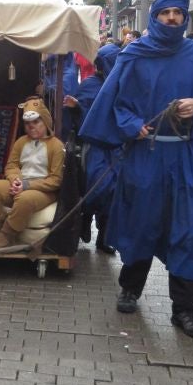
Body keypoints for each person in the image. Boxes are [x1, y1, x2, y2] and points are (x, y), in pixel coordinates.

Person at [79, 0, 193, 340]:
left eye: (178, 12)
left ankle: (185, 310)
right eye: (166, 12)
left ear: (185, 17)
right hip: (145, 155)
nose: (172, 18)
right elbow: (115, 102)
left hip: (186, 155)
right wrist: (132, 125)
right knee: (141, 223)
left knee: (191, 230)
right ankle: (130, 288)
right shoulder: (134, 54)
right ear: (155, 16)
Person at [0, 97, 65, 249]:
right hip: (19, 183)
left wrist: (26, 185)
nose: (31, 126)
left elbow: (56, 180)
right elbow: (11, 166)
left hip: (43, 190)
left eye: (36, 122)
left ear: (45, 121)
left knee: (25, 199)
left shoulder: (56, 146)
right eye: (28, 123)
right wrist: (16, 180)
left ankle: (7, 234)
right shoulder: (21, 142)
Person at [65, 43, 121, 252]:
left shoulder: (121, 86)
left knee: (113, 192)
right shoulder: (89, 85)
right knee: (94, 187)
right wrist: (77, 108)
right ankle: (85, 221)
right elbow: (83, 120)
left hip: (115, 147)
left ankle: (104, 237)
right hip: (94, 147)